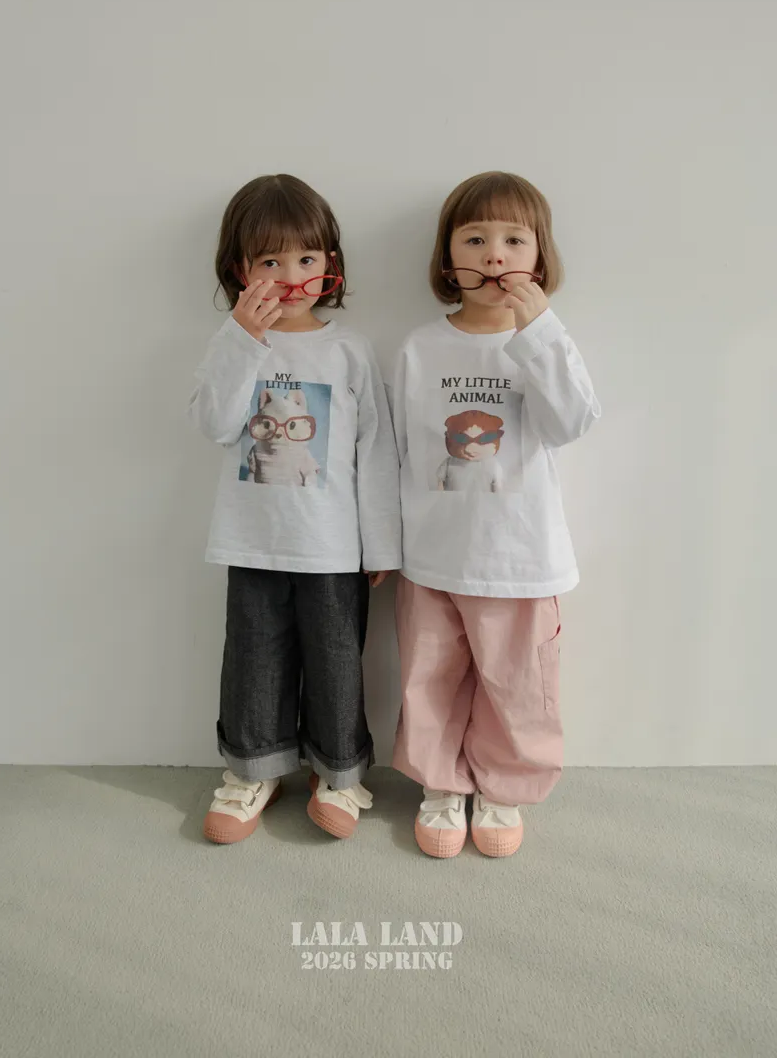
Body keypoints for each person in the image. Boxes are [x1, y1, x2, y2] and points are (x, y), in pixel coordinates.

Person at [390, 171, 600, 857]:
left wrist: (538, 330)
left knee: (519, 683)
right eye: (475, 239)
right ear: (448, 256)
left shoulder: (545, 343)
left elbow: (571, 423)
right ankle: (441, 784)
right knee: (429, 677)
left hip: (520, 557)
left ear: (539, 257)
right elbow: (398, 452)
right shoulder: (420, 347)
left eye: (514, 240)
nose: (494, 255)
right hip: (432, 554)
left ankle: (504, 785)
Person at [190, 174, 400, 843]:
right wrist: (241, 337)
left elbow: (377, 452)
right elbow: (215, 424)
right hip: (251, 540)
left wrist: (381, 545)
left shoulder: (348, 349)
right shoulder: (235, 343)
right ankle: (253, 770)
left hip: (333, 547)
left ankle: (339, 774)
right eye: (270, 262)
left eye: (306, 259)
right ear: (240, 270)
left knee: (337, 660)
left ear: (329, 265)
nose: (290, 277)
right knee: (254, 658)